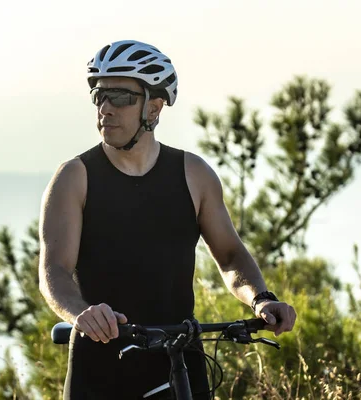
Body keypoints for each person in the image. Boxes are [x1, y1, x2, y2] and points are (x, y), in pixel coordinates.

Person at [38, 40, 297, 400]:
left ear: (155, 108)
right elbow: (54, 272)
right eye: (99, 96)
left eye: (121, 97)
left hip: (180, 359)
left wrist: (261, 299)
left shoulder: (194, 175)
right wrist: (81, 313)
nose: (106, 109)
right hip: (100, 364)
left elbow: (231, 256)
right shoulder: (74, 178)